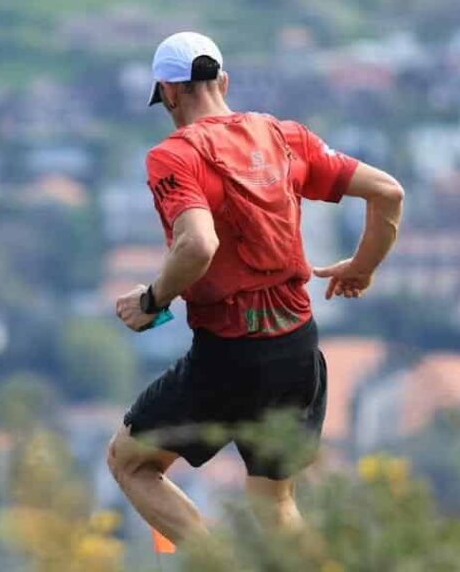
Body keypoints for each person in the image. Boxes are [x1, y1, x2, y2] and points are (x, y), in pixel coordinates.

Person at [107, 31, 405, 544]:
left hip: (230, 356)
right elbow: (387, 192)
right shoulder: (283, 137)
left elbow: (198, 245)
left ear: (169, 92)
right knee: (273, 501)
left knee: (131, 463)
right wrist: (362, 265)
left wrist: (152, 299)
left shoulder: (176, 156)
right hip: (296, 348)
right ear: (223, 81)